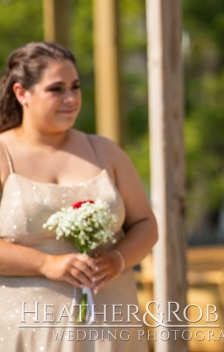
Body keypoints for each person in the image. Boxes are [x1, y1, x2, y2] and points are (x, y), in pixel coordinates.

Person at [0, 42, 158, 351]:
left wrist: (118, 259)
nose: (70, 98)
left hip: (110, 325)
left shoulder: (106, 152)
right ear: (22, 93)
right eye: (56, 89)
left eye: (75, 87)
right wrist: (46, 264)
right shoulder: (2, 154)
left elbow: (146, 224)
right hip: (27, 330)